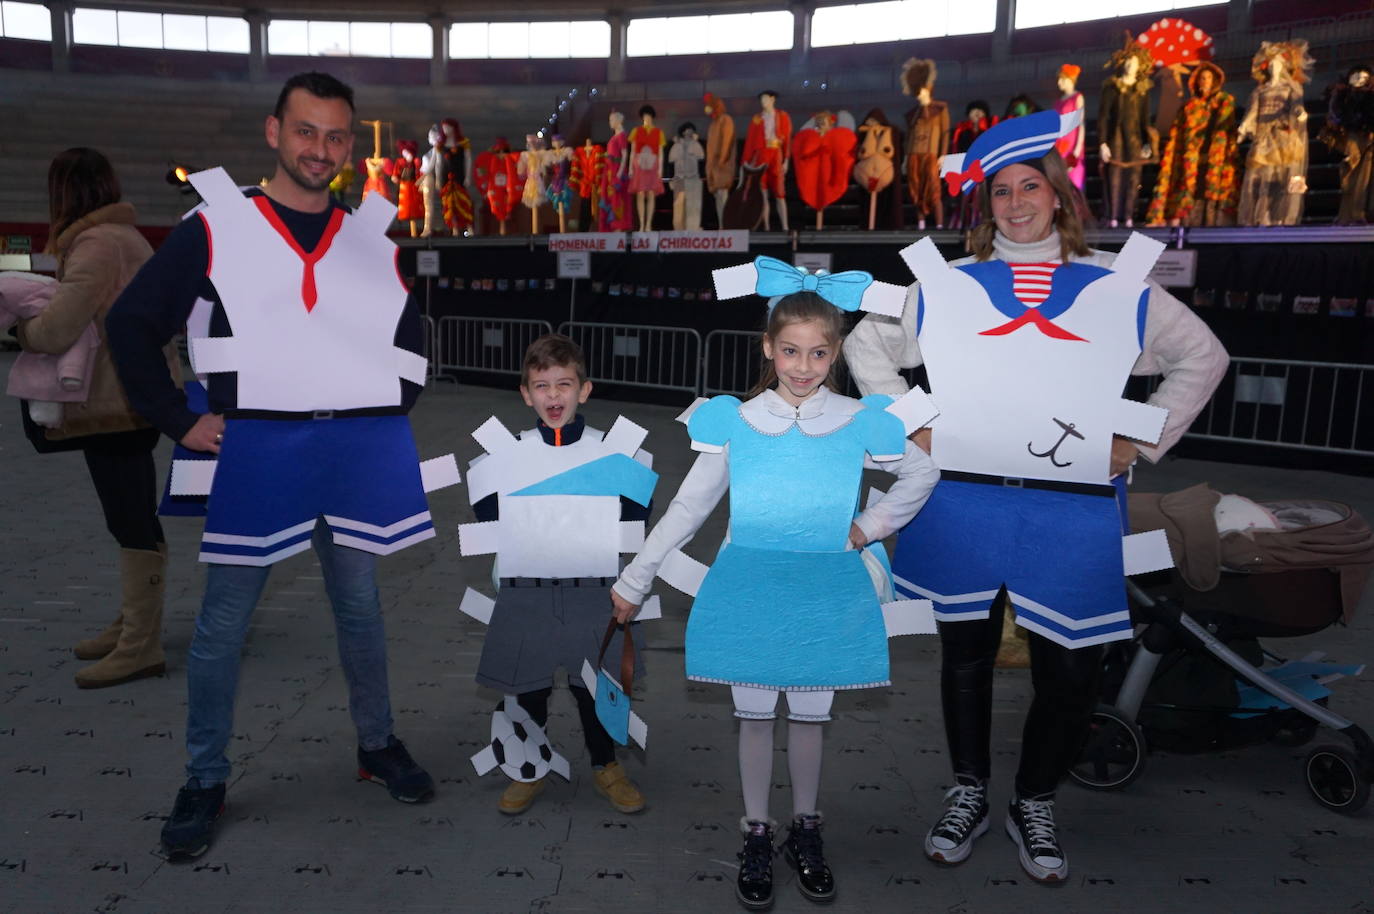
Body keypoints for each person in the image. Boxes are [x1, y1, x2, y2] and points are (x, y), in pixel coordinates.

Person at [845, 111, 1228, 884]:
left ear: (1058, 195)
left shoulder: (1117, 285)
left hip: (1073, 507)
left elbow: (1203, 356)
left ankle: (1034, 798)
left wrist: (1140, 441)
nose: (1016, 203)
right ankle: (969, 791)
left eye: (1031, 187)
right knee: (965, 656)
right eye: (1001, 191)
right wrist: (915, 429)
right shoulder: (948, 286)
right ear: (986, 204)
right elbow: (863, 344)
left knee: (1071, 668)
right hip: (964, 501)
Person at [105, 71, 438, 862]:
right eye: (305, 132)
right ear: (273, 132)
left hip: (351, 454)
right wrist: (180, 421)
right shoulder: (215, 224)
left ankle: (376, 742)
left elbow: (411, 337)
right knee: (223, 624)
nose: (321, 150)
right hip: (257, 454)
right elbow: (130, 323)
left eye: (335, 136)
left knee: (359, 609)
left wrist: (386, 417)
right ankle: (205, 777)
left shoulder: (366, 234)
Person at [611, 278, 939, 910]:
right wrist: (635, 577)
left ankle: (806, 828)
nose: (804, 367)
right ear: (768, 348)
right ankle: (757, 830)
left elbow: (924, 470)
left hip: (825, 588)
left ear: (836, 353)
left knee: (813, 717)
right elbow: (688, 508)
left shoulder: (855, 420)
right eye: (791, 352)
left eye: (818, 353)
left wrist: (869, 527)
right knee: (756, 716)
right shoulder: (735, 422)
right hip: (750, 588)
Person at [15, 147, 181, 689]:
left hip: (116, 402)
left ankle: (140, 644)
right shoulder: (121, 237)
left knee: (129, 517)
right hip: (129, 398)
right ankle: (135, 624)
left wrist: (22, 330)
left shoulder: (96, 244)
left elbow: (60, 328)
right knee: (129, 514)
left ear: (64, 192)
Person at [468, 334, 651, 816]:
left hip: (594, 591)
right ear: (526, 394)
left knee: (595, 684)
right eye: (542, 386)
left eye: (563, 385)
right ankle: (528, 764)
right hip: (526, 590)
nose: (553, 396)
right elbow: (489, 521)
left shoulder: (614, 456)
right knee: (525, 683)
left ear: (584, 390)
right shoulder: (502, 461)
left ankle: (606, 764)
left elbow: (636, 522)